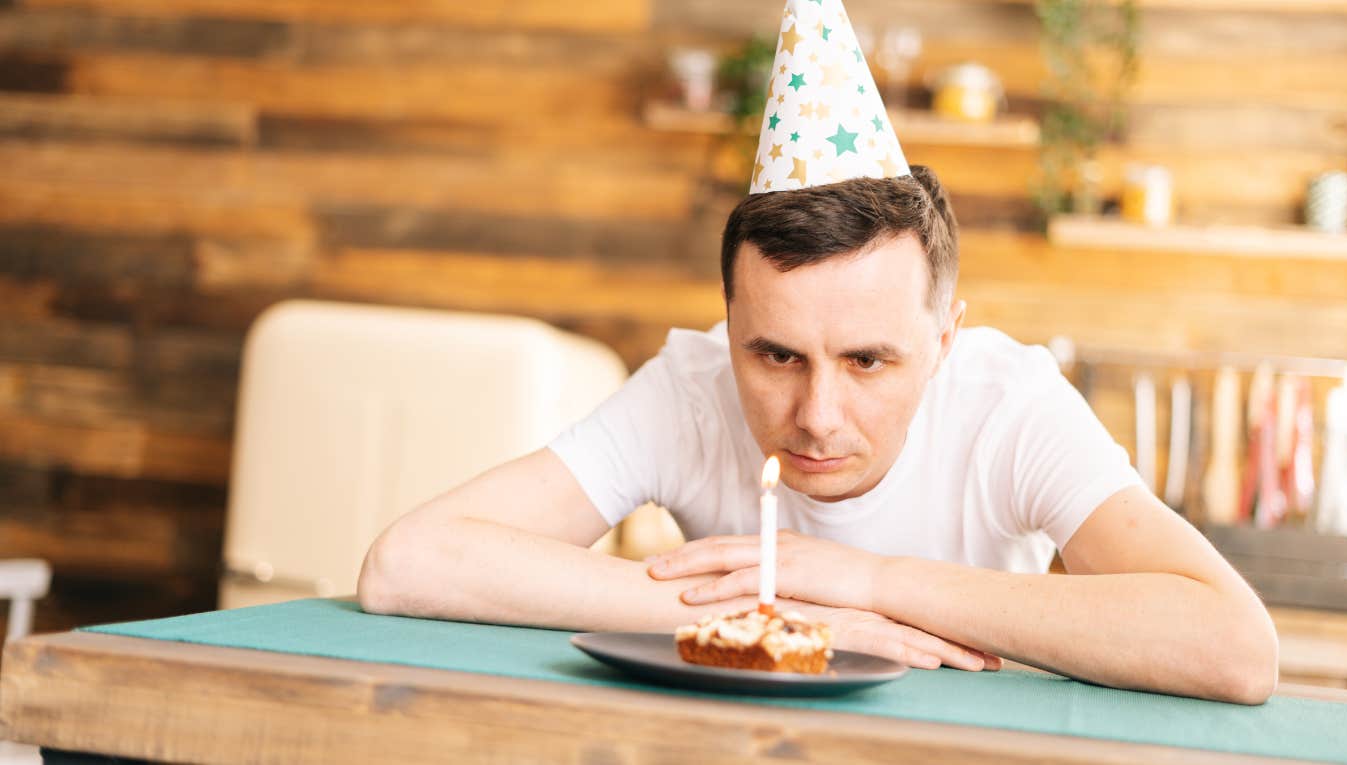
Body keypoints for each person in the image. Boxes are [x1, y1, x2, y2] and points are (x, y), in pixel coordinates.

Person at [358, 0, 1278, 705]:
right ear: (729, 327)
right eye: (776, 355)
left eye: (869, 361)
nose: (817, 417)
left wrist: (870, 583)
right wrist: (770, 614)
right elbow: (411, 562)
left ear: (945, 339)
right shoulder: (690, 384)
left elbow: (1234, 645)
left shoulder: (1011, 403)